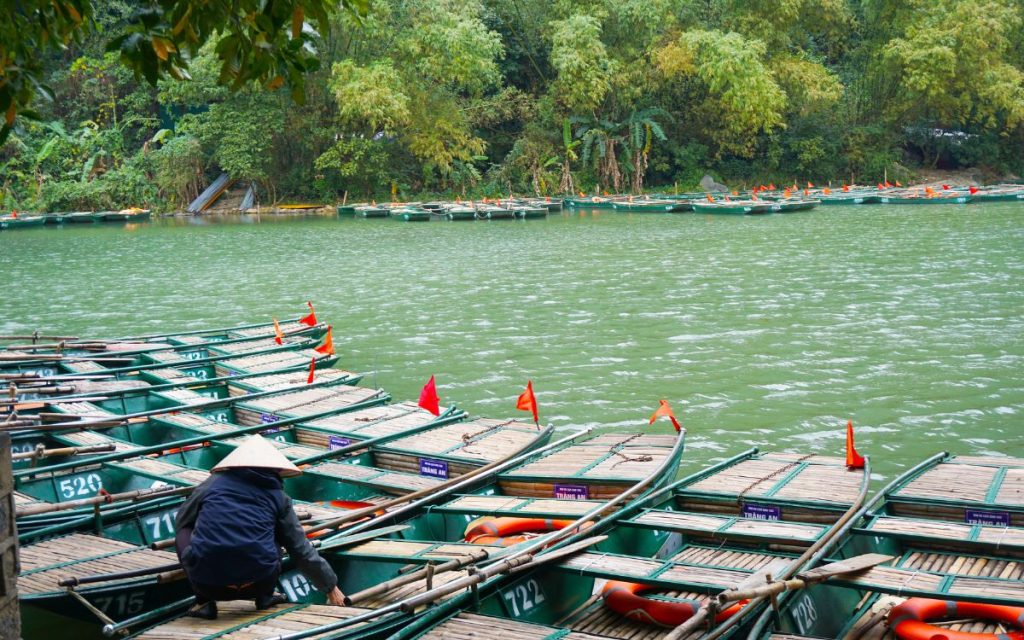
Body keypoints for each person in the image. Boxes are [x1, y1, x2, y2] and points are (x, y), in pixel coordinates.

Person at [175, 435, 346, 619]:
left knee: (183, 531)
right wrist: (331, 588)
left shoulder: (210, 485)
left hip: (209, 584)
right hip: (259, 582)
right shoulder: (278, 497)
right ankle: (266, 596)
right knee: (278, 535)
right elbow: (299, 548)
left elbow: (182, 520)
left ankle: (203, 602)